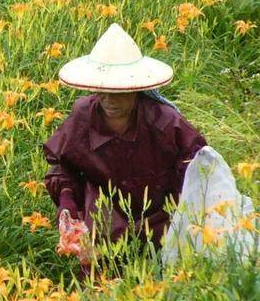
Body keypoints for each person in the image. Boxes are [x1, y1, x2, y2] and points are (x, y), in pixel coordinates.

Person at [42, 23, 208, 276]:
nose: (108, 100)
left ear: (136, 90)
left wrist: (175, 216)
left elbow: (195, 171)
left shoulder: (165, 121)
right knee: (101, 279)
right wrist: (67, 208)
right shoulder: (83, 114)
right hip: (105, 214)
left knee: (165, 275)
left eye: (118, 93)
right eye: (103, 92)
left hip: (160, 214)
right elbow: (65, 167)